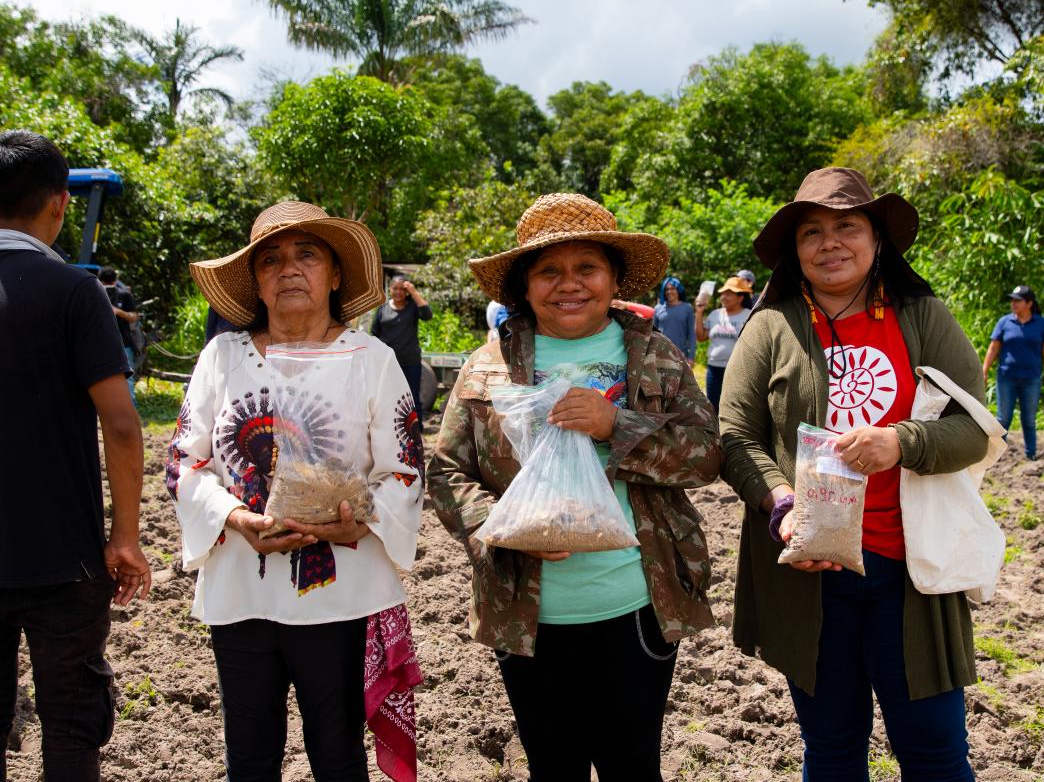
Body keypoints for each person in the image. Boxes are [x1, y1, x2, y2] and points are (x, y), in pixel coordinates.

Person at [428, 193, 720, 781]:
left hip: (637, 602)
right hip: (528, 611)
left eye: (586, 268)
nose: (569, 285)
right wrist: (503, 528)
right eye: (548, 271)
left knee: (632, 766)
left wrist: (620, 426)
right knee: (552, 767)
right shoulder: (488, 365)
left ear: (613, 277)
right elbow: (445, 471)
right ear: (523, 285)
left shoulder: (656, 357)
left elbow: (707, 456)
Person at [720, 167, 989, 780]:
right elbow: (734, 436)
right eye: (811, 231)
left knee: (935, 751)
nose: (829, 242)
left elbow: (975, 429)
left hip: (909, 576)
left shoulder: (921, 316)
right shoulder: (771, 326)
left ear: (876, 238)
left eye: (847, 226)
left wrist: (902, 442)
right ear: (794, 248)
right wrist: (784, 507)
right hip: (812, 573)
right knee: (833, 748)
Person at [167, 201, 424, 782]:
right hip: (241, 591)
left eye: (307, 254)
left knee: (336, 755)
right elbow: (184, 461)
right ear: (255, 281)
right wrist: (235, 517)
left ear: (334, 275)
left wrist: (360, 520)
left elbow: (404, 468)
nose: (289, 269)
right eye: (271, 260)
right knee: (250, 757)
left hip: (339, 593)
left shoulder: (372, 359)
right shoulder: (222, 358)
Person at [0, 130, 151, 782]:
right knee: (70, 721)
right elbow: (120, 425)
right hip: (66, 556)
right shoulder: (75, 293)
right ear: (61, 204)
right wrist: (125, 536)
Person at [982, 285, 1044, 460]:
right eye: (1012, 300)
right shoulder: (1004, 322)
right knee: (1003, 419)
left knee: (1029, 419)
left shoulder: (1041, 324)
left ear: (1029, 303)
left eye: (1018, 300)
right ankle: (997, 455)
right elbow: (993, 348)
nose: (1013, 303)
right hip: (1006, 378)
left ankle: (1031, 454)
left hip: (1031, 379)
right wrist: (983, 371)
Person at [372, 272, 432, 430]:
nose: (398, 292)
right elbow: (375, 333)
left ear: (406, 291)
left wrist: (413, 291)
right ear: (390, 289)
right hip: (388, 362)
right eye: (395, 288)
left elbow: (427, 315)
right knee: (387, 396)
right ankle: (389, 427)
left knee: (412, 395)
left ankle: (416, 428)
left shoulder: (412, 307)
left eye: (401, 289)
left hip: (410, 361)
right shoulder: (382, 309)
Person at [694, 276, 752, 416]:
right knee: (713, 406)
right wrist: (699, 313)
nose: (724, 297)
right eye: (723, 293)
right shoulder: (715, 314)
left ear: (740, 297)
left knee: (734, 407)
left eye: (729, 293)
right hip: (714, 370)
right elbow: (701, 337)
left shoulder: (748, 316)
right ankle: (715, 436)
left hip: (737, 370)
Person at [98, 266, 139, 403]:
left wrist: (118, 311)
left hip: (122, 343)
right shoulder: (96, 294)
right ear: (115, 280)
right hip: (106, 344)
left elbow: (133, 316)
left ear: (100, 280)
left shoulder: (123, 295)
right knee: (127, 378)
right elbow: (134, 317)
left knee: (125, 379)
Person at [652, 276, 696, 364]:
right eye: (667, 289)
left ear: (678, 290)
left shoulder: (687, 308)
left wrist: (691, 356)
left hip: (681, 355)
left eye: (673, 289)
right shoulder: (658, 308)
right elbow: (653, 333)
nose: (669, 292)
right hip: (660, 354)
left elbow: (692, 334)